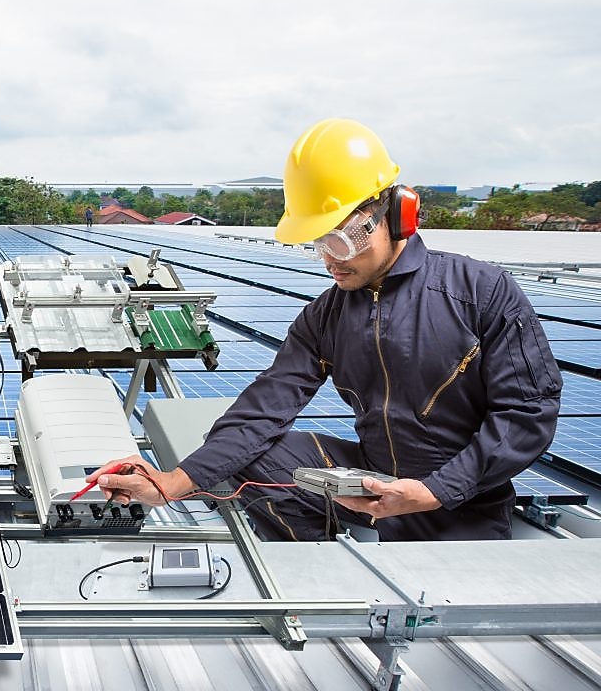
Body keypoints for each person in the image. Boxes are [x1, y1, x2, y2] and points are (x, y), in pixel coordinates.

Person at [88, 118, 562, 541]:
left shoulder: (479, 291)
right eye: (319, 242)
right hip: (374, 482)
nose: (330, 259)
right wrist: (173, 482)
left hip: (461, 504)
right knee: (252, 454)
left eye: (341, 238)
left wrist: (434, 491)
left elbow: (528, 411)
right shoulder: (327, 314)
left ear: (398, 213)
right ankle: (325, 557)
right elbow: (263, 409)